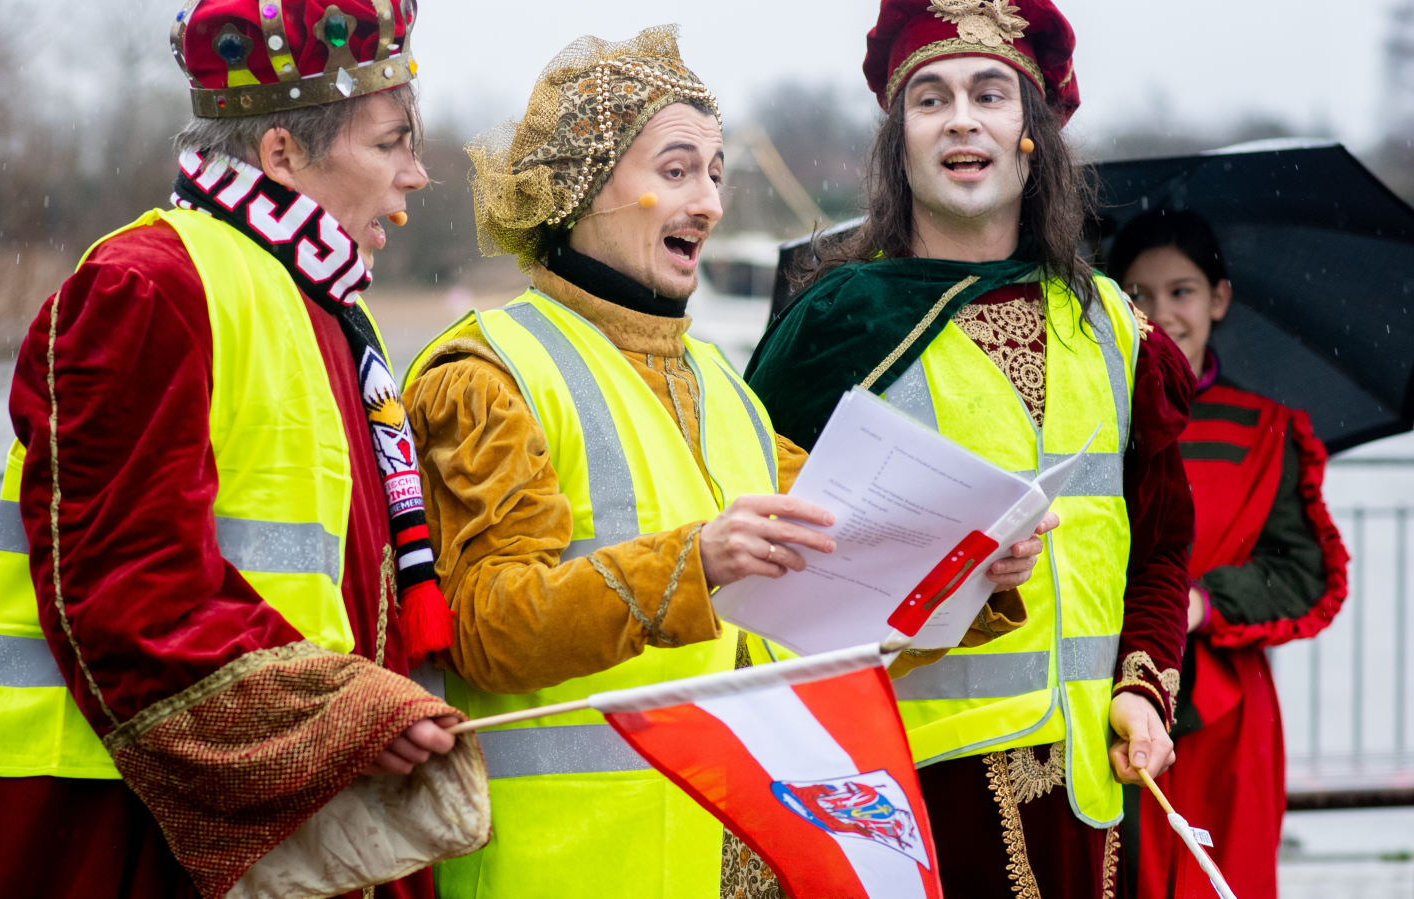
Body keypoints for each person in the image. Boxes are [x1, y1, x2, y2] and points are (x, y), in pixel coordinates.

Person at [399, 25, 1050, 899]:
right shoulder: (485, 373)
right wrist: (693, 562)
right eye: (675, 171)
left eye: (713, 173)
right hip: (561, 872)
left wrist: (967, 570)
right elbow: (481, 627)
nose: (707, 202)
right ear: (577, 187)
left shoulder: (725, 388)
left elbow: (821, 623)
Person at [0, 3, 491, 897]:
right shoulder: (145, 286)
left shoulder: (322, 306)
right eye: (391, 143)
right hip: (119, 833)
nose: (417, 174)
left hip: (268, 815)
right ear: (281, 154)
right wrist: (346, 715)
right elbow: (126, 590)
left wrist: (359, 720)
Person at [745, 1, 1196, 896]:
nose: (961, 119)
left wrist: (1141, 688)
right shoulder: (837, 324)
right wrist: (940, 571)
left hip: (1094, 791)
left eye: (990, 94)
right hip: (906, 796)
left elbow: (1160, 542)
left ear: (1032, 133)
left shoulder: (1113, 326)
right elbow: (765, 572)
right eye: (931, 99)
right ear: (899, 143)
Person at [1108, 209, 1348, 899]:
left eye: (1181, 291)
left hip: (1227, 717)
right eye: (1137, 295)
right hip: (1102, 697)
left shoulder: (1266, 430)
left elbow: (1303, 575)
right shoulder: (1090, 421)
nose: (1161, 313)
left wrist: (1203, 601)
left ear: (1219, 298)